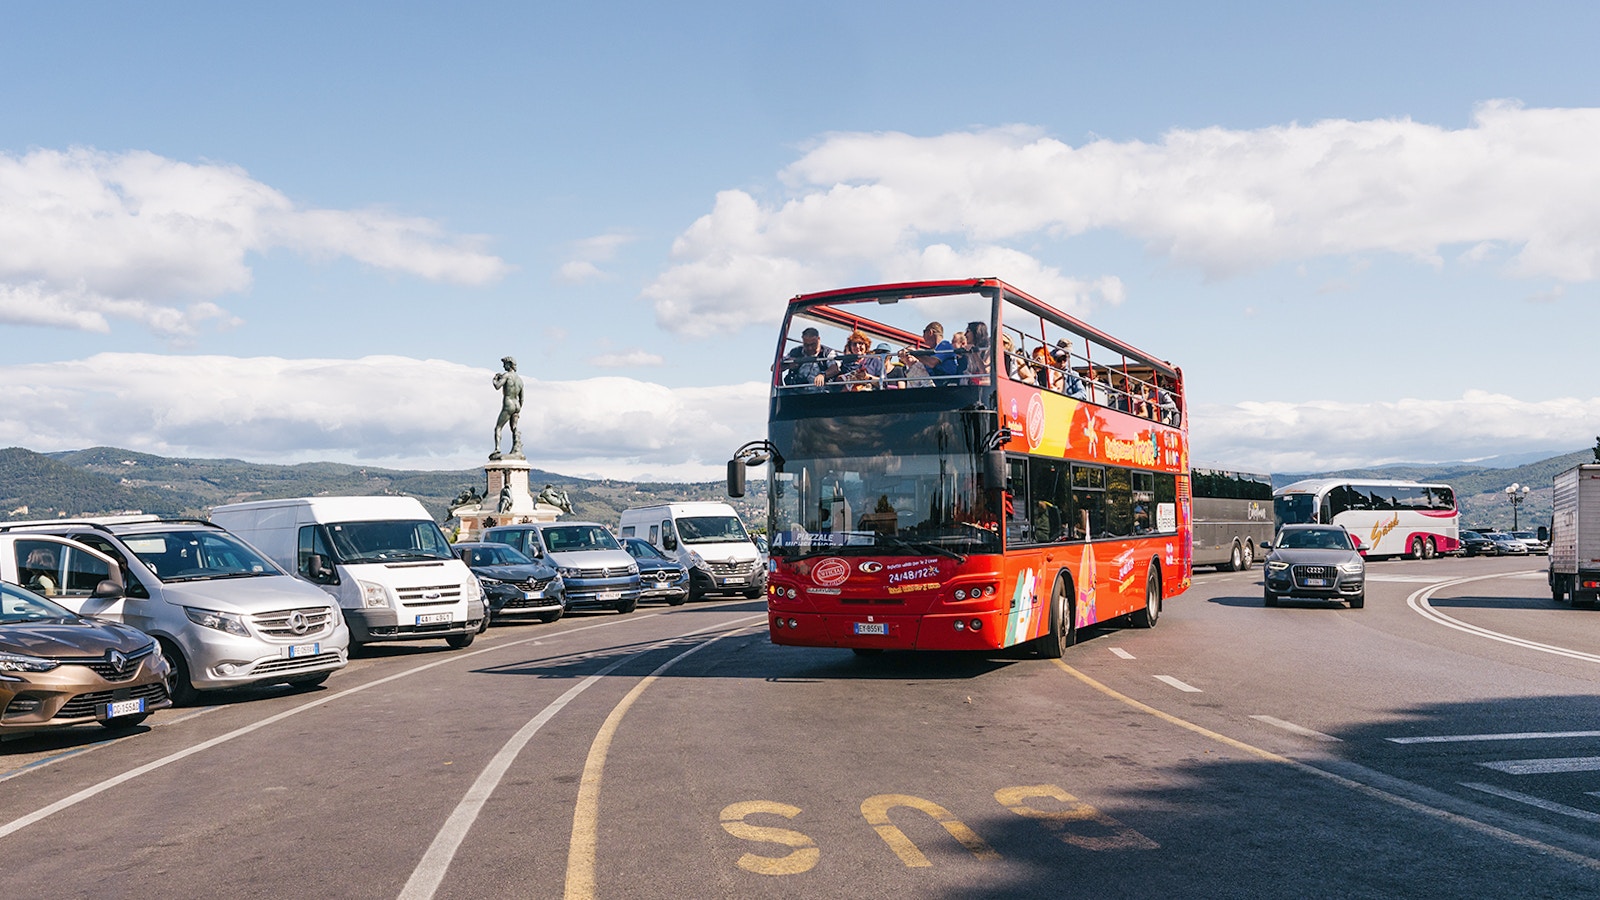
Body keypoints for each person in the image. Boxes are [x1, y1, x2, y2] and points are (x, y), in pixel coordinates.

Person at [492, 356, 524, 460]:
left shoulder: (507, 376)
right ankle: (517, 448)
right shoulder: (520, 380)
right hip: (517, 405)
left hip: (508, 403)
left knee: (498, 427)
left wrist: (495, 379)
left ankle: (497, 449)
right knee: (514, 428)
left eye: (504, 364)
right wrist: (518, 410)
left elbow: (497, 386)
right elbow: (522, 398)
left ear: (509, 364)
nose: (503, 366)